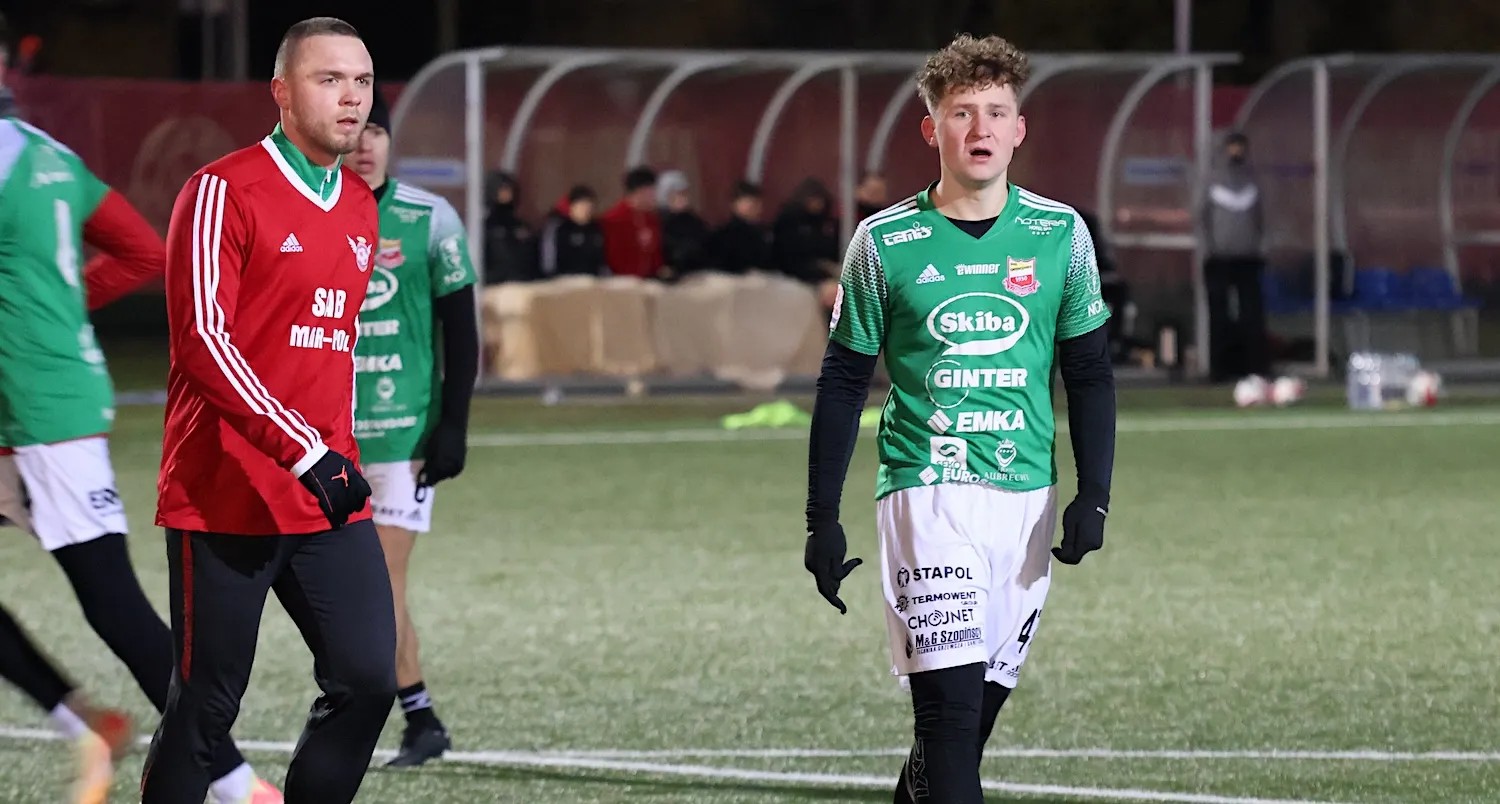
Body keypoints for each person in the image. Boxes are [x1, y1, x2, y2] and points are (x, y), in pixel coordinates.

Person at [802, 34, 1116, 803]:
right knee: (947, 721)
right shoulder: (883, 242)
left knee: (963, 734)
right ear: (931, 128)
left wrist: (1095, 495)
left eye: (996, 112)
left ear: (1019, 129)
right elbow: (843, 381)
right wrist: (821, 518)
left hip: (1026, 501)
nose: (981, 127)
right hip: (927, 492)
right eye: (962, 112)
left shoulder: (1060, 235)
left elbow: (1088, 373)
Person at [0, 19, 279, 804]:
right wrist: (59, 310)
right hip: (34, 404)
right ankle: (88, 723)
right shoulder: (48, 154)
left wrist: (45, 320)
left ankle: (237, 786)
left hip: (41, 414)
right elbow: (144, 254)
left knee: (114, 605)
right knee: (110, 601)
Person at [142, 17, 396, 804]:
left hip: (327, 494)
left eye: (362, 81)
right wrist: (303, 449)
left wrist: (336, 455)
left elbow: (332, 350)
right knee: (206, 709)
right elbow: (203, 342)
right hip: (226, 493)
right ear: (282, 92)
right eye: (330, 80)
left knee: (367, 679)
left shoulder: (360, 204)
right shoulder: (221, 190)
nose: (351, 98)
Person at [349, 85, 479, 767]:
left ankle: (404, 717)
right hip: (323, 439)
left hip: (402, 438)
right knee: (344, 586)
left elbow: (463, 332)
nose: (365, 144)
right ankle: (415, 715)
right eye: (355, 132)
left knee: (381, 580)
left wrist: (452, 425)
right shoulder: (310, 215)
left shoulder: (430, 218)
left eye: (377, 131)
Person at [1201, 131, 1270, 382]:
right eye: (1232, 146)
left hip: (1248, 258)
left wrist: (1261, 247)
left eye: (1240, 146)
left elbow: (1261, 219)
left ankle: (1256, 367)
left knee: (1252, 314)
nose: (1236, 151)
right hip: (1218, 258)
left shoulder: (1253, 181)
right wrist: (1208, 249)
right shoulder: (1210, 181)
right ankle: (1219, 369)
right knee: (1219, 315)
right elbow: (1202, 219)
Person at [599, 165, 663, 278]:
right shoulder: (613, 220)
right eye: (652, 191)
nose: (655, 196)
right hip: (622, 282)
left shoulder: (651, 219)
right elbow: (612, 258)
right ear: (640, 191)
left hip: (650, 281)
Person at [703, 180, 773, 276]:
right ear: (734, 204)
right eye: (748, 202)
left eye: (756, 203)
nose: (754, 207)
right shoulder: (723, 235)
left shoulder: (764, 233)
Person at [481, 170, 538, 284]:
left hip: (523, 284)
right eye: (502, 190)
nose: (506, 194)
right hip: (495, 286)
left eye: (509, 190)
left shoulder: (522, 226)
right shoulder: (484, 228)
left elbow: (533, 257)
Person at [540, 185, 608, 278]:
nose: (586, 211)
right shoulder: (560, 228)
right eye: (582, 206)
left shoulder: (596, 230)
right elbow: (549, 263)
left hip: (591, 281)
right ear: (572, 206)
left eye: (589, 207)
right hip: (563, 280)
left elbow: (601, 260)